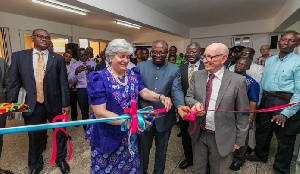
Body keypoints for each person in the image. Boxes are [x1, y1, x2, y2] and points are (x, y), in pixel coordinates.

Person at [85, 38, 172, 173]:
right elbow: (100, 113)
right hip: (108, 135)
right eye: (121, 56)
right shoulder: (99, 78)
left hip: (128, 136)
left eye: (127, 56)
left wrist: (161, 97)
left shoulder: (132, 75)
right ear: (110, 57)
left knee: (129, 168)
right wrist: (132, 122)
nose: (125, 60)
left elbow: (144, 92)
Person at [179, 43, 249, 174]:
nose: (205, 60)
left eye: (210, 57)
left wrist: (239, 141)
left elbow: (242, 114)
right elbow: (188, 96)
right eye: (205, 56)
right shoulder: (197, 75)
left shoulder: (238, 81)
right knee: (198, 169)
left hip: (222, 136)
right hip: (198, 133)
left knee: (217, 170)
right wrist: (194, 104)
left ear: (223, 58)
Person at [7, 29, 70, 174]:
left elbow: (63, 83)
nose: (44, 39)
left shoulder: (58, 59)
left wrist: (66, 103)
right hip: (31, 104)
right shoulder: (19, 57)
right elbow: (13, 84)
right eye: (40, 36)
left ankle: (61, 159)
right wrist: (11, 105)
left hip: (55, 103)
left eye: (47, 37)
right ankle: (35, 165)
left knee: (60, 133)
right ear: (33, 38)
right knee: (34, 136)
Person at [246, 31, 300, 174]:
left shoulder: (298, 62)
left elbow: (299, 92)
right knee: (263, 130)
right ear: (278, 42)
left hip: (286, 102)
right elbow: (263, 83)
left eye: (291, 40)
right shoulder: (269, 61)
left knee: (285, 138)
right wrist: (257, 101)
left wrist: (286, 113)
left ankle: (281, 169)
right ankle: (260, 155)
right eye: (283, 39)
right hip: (267, 100)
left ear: (297, 44)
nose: (286, 43)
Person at [137, 40, 188, 174]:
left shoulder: (174, 69)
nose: (157, 55)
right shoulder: (140, 66)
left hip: (165, 117)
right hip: (144, 117)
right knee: (143, 151)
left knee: (162, 150)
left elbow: (176, 90)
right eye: (154, 52)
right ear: (151, 52)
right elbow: (136, 90)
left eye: (161, 52)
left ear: (167, 53)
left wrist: (180, 105)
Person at [229, 57, 260, 171]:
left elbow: (253, 102)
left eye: (243, 64)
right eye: (238, 63)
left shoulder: (252, 83)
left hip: (242, 115)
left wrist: (250, 119)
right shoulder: (227, 78)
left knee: (242, 137)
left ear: (248, 67)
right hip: (227, 114)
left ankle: (239, 159)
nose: (239, 66)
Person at [178, 42, 204, 169]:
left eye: (194, 51)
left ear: (200, 53)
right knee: (185, 134)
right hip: (184, 108)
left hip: (201, 109)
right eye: (188, 51)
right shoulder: (181, 68)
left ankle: (201, 160)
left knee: (200, 135)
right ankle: (189, 158)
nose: (190, 54)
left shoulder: (206, 67)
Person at [68, 48, 96, 130]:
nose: (83, 57)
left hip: (93, 88)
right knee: (84, 110)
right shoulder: (74, 66)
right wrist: (76, 72)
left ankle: (95, 126)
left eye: (85, 55)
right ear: (78, 56)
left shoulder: (93, 64)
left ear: (87, 54)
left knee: (96, 108)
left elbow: (98, 77)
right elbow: (70, 80)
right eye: (81, 55)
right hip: (81, 90)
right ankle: (86, 128)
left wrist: (93, 74)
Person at [0, 58, 14, 174]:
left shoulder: (1, 62)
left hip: (1, 107)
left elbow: (8, 85)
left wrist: (10, 107)